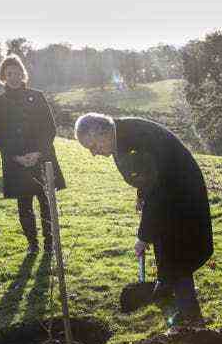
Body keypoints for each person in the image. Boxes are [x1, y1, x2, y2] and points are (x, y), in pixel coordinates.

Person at [74, 113, 213, 326]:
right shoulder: (121, 133)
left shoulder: (133, 141)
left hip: (181, 196)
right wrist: (141, 195)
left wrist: (143, 236)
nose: (93, 153)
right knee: (167, 248)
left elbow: (157, 192)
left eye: (92, 146)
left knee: (178, 257)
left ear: (101, 133)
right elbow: (148, 178)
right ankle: (164, 289)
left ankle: (193, 322)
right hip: (172, 193)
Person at [0, 54, 66, 254]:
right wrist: (16, 156)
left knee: (46, 202)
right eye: (9, 74)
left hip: (42, 158)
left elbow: (50, 128)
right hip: (16, 162)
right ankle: (33, 245)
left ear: (23, 74)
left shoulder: (37, 95)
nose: (14, 77)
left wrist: (38, 153)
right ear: (3, 76)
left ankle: (50, 244)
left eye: (17, 73)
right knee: (24, 205)